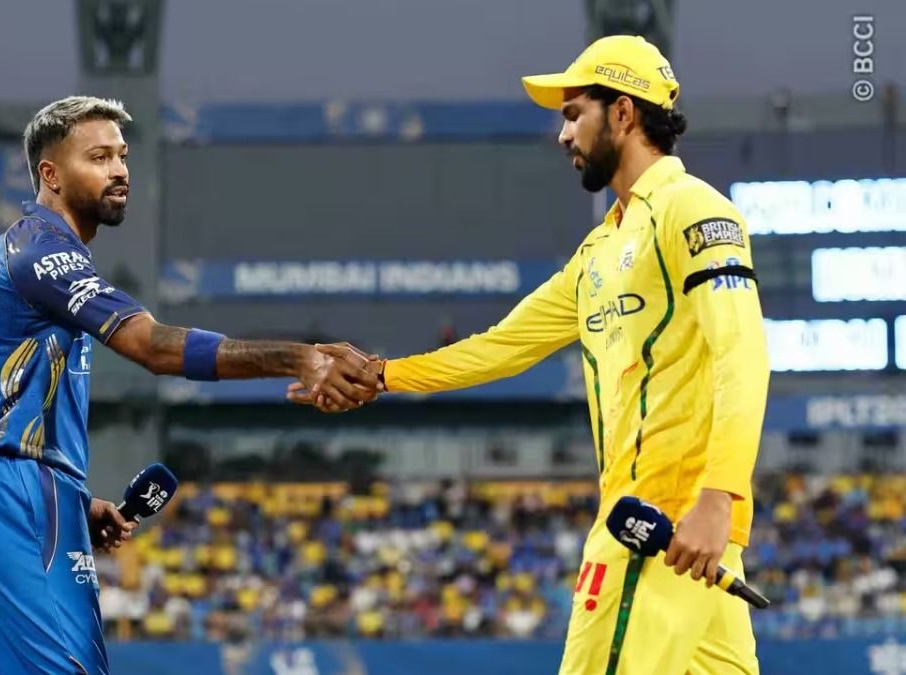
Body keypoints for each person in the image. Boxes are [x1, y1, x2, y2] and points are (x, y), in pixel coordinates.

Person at [294, 35, 768, 674]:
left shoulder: (693, 209)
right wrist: (382, 375)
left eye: (574, 114)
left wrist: (719, 497)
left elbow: (743, 354)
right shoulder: (599, 250)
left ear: (623, 112)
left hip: (660, 528)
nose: (563, 134)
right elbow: (500, 347)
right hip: (680, 538)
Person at [0, 95, 379, 675]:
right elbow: (152, 346)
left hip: (14, 490)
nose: (119, 169)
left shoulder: (36, 248)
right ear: (51, 174)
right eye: (99, 157)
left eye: (122, 156)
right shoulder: (42, 251)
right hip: (13, 494)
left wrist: (73, 500)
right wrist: (299, 359)